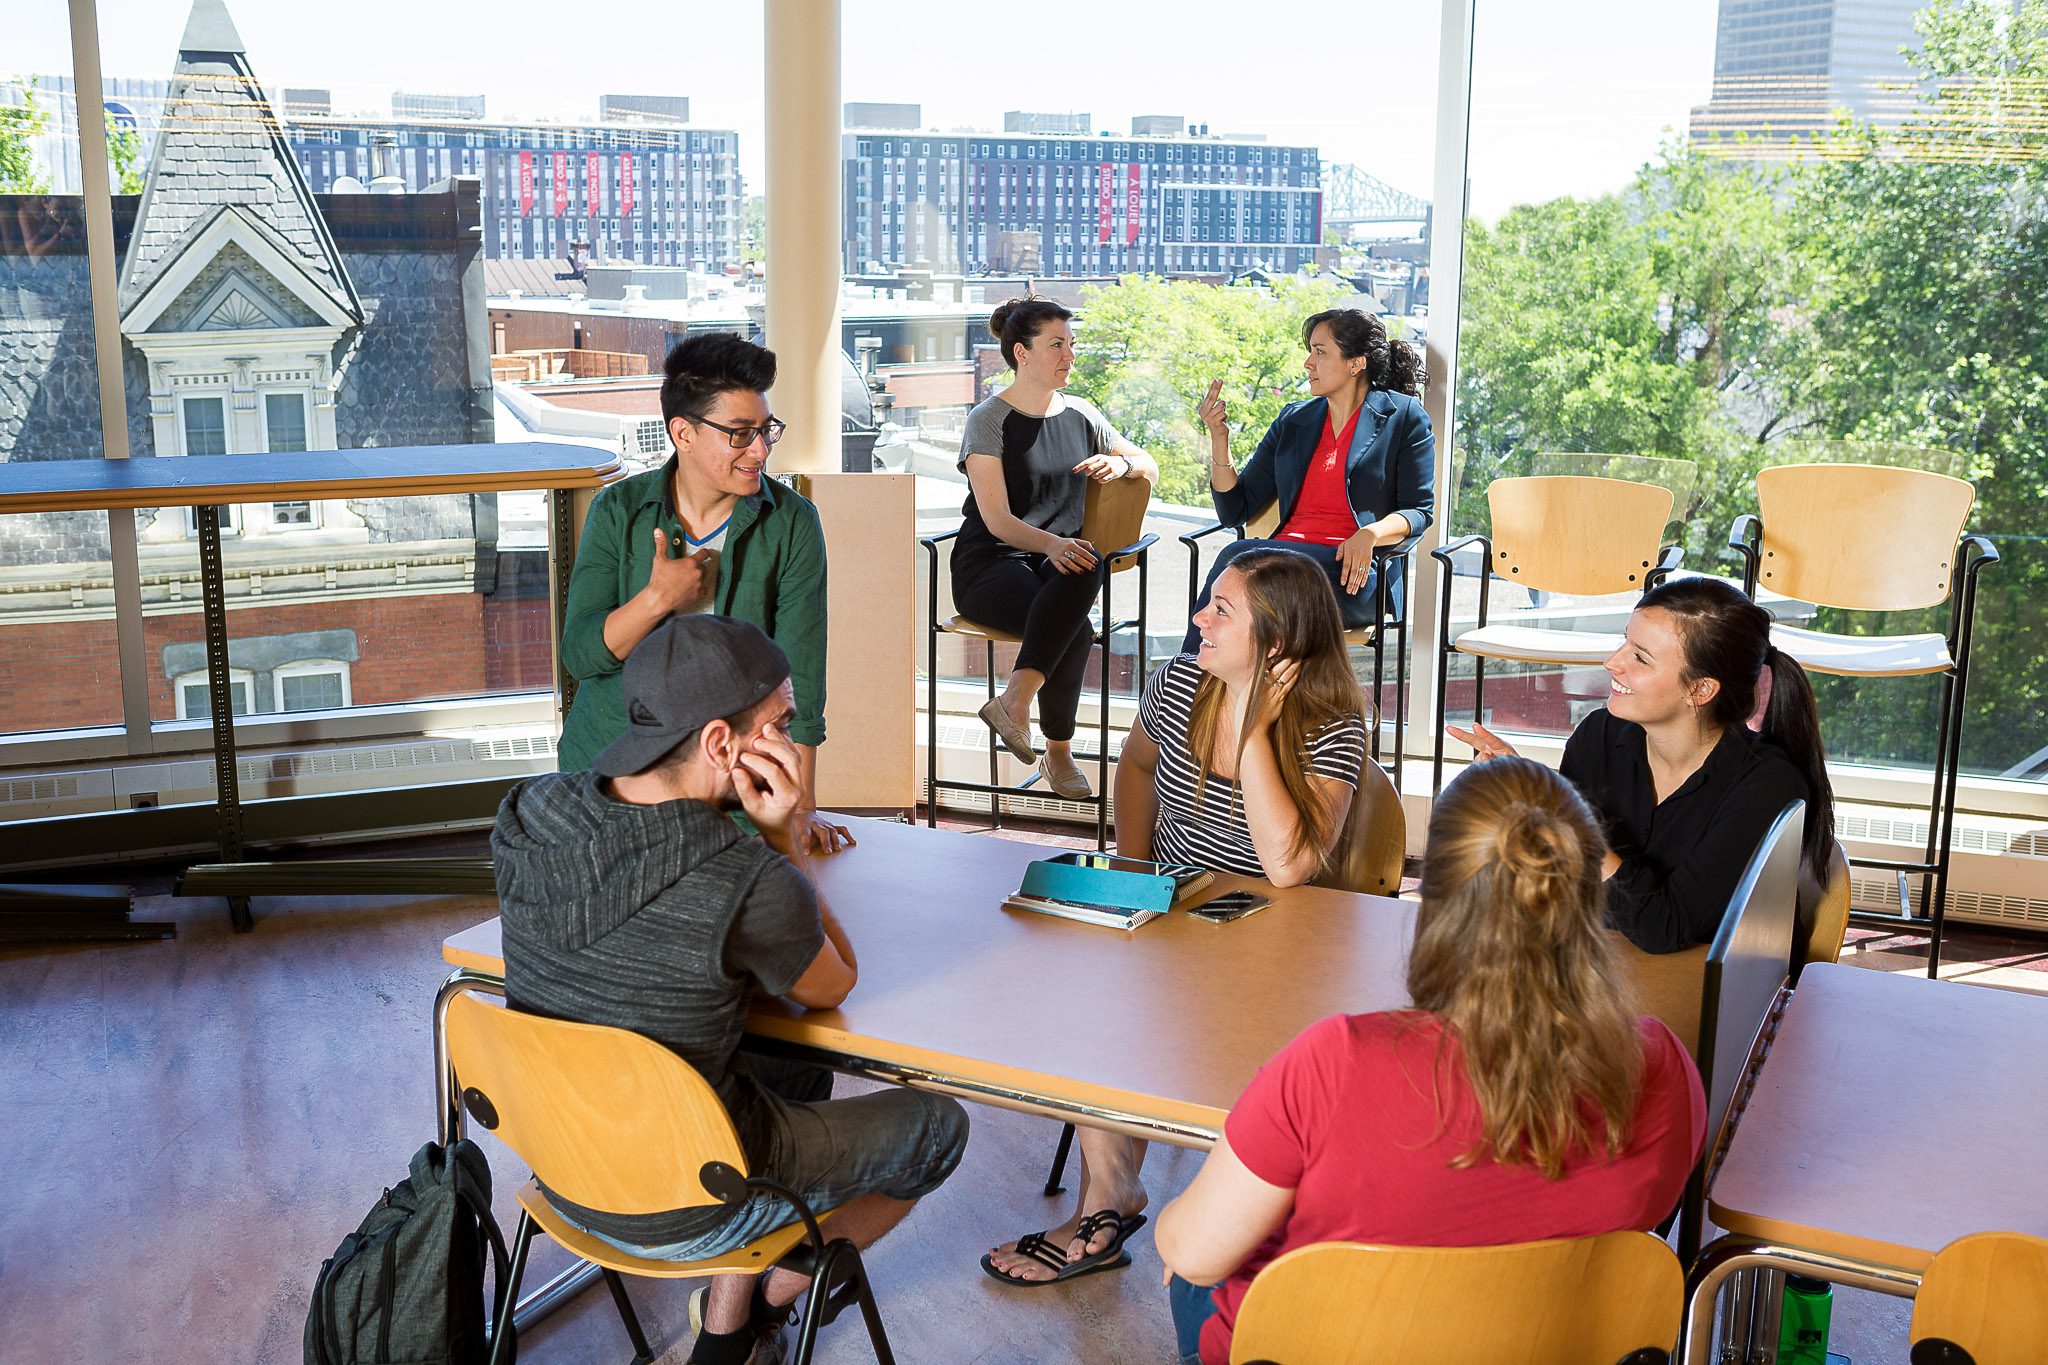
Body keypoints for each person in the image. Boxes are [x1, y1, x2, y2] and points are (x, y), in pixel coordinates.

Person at [492, 617, 970, 1365]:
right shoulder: (743, 880)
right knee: (938, 1125)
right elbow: (833, 983)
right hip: (687, 1202)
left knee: (793, 1067)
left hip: (559, 1171)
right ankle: (752, 1319)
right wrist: (786, 835)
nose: (792, 735)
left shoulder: (528, 813)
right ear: (722, 743)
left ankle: (723, 1327)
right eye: (780, 722)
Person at [1154, 757, 1706, 1365]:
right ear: (1585, 889)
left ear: (1435, 898)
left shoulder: (1334, 1062)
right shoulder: (1662, 1065)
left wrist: (1187, 1236)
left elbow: (1195, 1254)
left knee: (1194, 1272)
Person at [982, 547, 1368, 1289]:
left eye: (1222, 609)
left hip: (1276, 935)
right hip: (1175, 906)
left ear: (1278, 642)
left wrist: (1255, 727)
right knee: (1090, 991)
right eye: (1207, 602)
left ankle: (1151, 1208)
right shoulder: (1180, 682)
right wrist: (1133, 867)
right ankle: (1113, 1196)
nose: (1199, 620)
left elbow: (1288, 867)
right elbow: (1134, 766)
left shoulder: (1330, 720)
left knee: (1146, 1009)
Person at [556, 331, 851, 854]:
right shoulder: (618, 512)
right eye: (739, 433)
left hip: (733, 787)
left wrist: (800, 807)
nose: (759, 450)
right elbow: (582, 655)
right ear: (683, 433)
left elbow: (800, 675)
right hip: (618, 773)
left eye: (766, 431)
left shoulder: (792, 523)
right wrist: (657, 599)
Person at [1448, 575, 1837, 953]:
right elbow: (1560, 883)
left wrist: (1564, 812)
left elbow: (1665, 928)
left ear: (1700, 690)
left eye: (1640, 657)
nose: (1612, 662)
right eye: (1624, 643)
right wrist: (1527, 793)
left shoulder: (1768, 786)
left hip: (1710, 987)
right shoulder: (1598, 736)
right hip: (1604, 965)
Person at [953, 296, 1157, 800]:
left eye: (1071, 344)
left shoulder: (1083, 413)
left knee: (1085, 565)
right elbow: (997, 519)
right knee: (1076, 626)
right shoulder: (989, 419)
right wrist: (1053, 544)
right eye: (1056, 345)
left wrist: (1122, 466)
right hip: (992, 563)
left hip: (1054, 563)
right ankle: (1058, 752)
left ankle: (1015, 702)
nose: (1070, 356)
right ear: (1021, 353)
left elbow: (1148, 463)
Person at [1183, 308, 1434, 653]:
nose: (1307, 363)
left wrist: (1369, 534)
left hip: (1352, 575)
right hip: (1280, 570)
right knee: (1240, 598)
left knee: (1237, 559)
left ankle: (1185, 680)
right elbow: (1234, 509)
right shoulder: (1293, 420)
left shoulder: (1403, 417)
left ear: (1356, 363)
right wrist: (1219, 439)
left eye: (1320, 351)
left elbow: (1419, 511)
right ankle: (1200, 685)